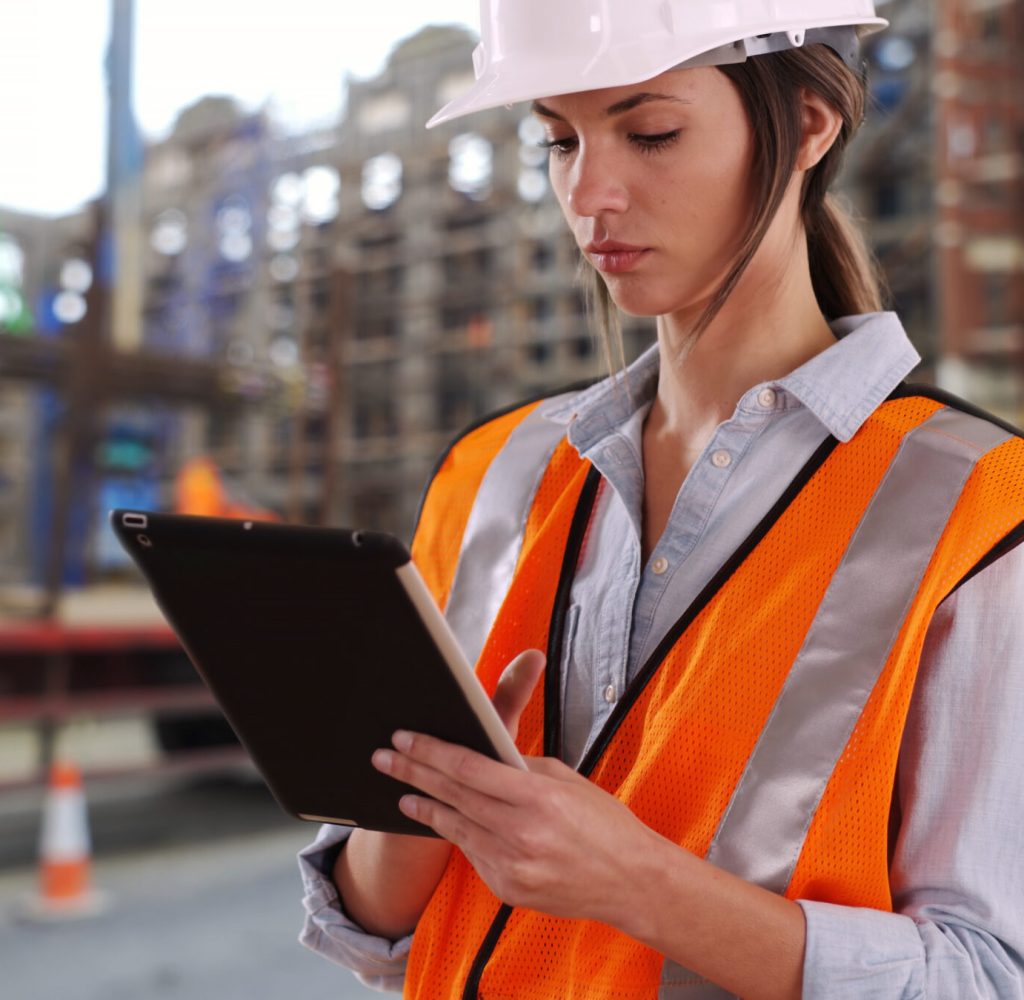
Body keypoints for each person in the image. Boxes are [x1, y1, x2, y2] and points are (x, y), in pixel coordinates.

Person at [298, 3, 1024, 997]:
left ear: (809, 123)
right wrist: (444, 798)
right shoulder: (493, 472)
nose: (588, 192)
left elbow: (984, 977)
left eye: (650, 133)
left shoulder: (977, 507)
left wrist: (636, 883)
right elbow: (375, 926)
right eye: (558, 138)